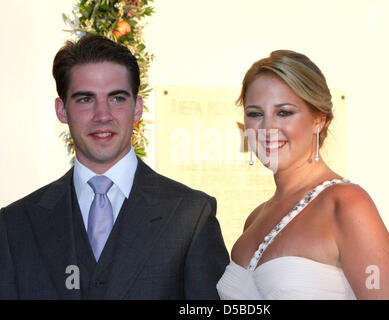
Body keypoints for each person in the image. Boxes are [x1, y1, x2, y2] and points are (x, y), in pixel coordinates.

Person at [0, 34, 229, 299]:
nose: (103, 115)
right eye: (85, 99)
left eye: (117, 98)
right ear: (62, 111)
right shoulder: (15, 225)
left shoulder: (190, 216)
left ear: (137, 108)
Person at [216, 50, 389, 299]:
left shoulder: (347, 204)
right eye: (255, 114)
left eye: (284, 112)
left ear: (319, 119)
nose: (267, 128)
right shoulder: (254, 219)